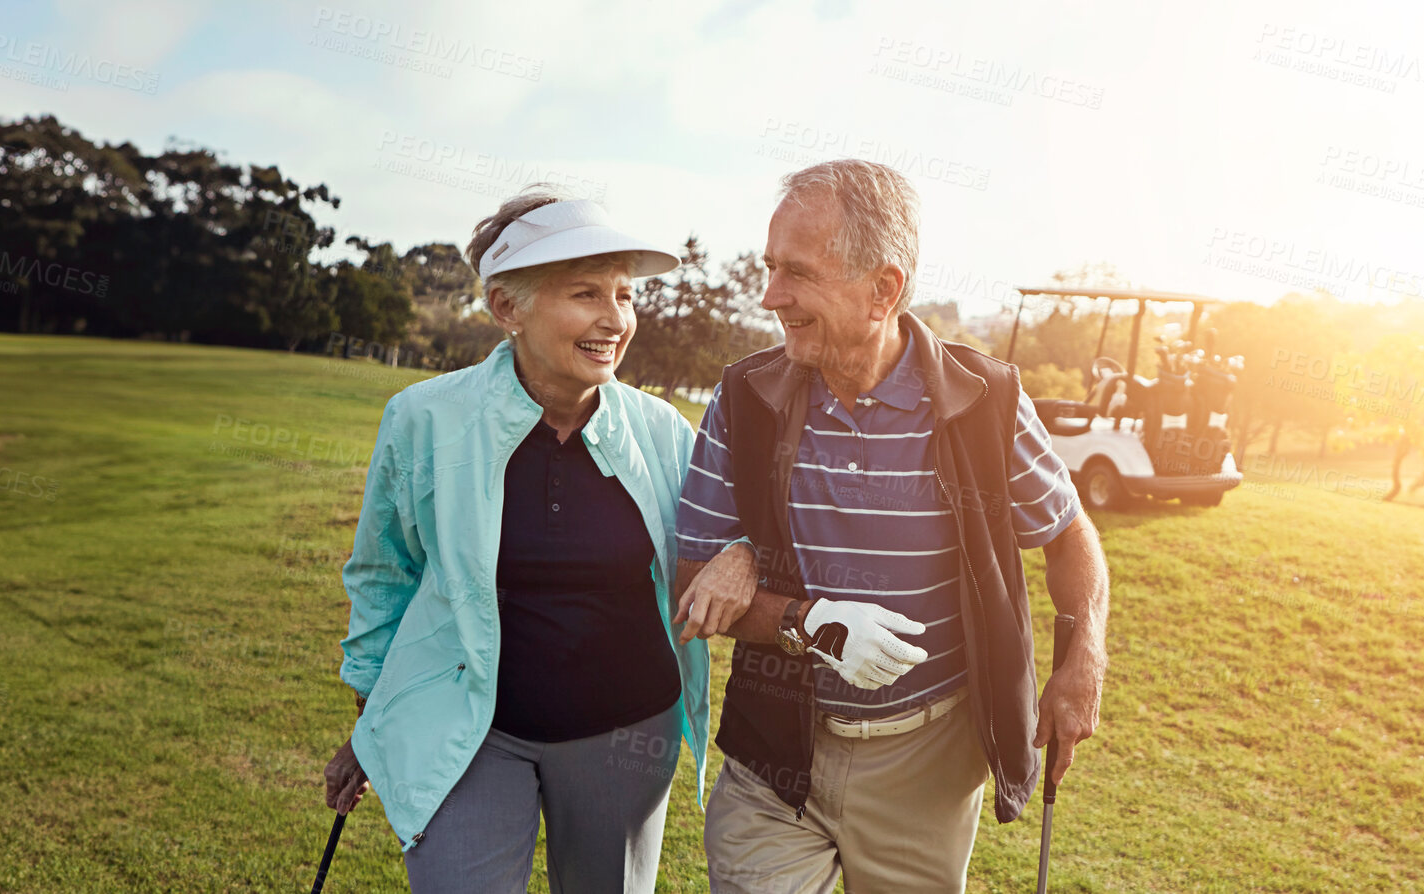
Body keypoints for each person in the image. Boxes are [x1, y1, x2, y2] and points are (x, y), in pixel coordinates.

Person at [667, 159, 1112, 893]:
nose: (771, 296)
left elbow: (1067, 533)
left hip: (926, 767)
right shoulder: (744, 396)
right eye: (770, 267)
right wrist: (809, 620)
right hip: (775, 754)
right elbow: (692, 586)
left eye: (798, 274)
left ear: (883, 289)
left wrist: (1084, 655)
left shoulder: (985, 400)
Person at [320, 186, 755, 892]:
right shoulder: (423, 420)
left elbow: (730, 536)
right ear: (505, 308)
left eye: (624, 295)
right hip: (471, 732)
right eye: (586, 294)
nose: (614, 319)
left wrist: (741, 554)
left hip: (624, 734)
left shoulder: (662, 430)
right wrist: (374, 721)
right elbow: (383, 573)